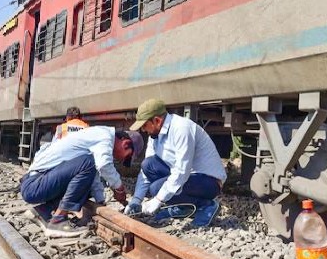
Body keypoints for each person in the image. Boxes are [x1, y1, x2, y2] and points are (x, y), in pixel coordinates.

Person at [20, 126, 143, 237]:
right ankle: (58, 220)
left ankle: (42, 211)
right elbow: (103, 165)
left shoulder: (97, 136)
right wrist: (119, 188)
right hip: (34, 185)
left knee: (86, 178)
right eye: (127, 158)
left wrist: (100, 202)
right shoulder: (104, 137)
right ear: (126, 144)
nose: (122, 161)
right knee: (88, 163)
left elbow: (92, 177)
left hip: (37, 183)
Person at [124, 99, 227, 227]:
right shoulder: (155, 135)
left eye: (145, 125)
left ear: (157, 120)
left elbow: (182, 171)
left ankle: (206, 206)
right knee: (148, 165)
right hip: (187, 178)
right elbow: (145, 172)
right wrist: (136, 200)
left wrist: (158, 200)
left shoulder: (181, 128)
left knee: (156, 189)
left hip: (208, 181)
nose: (144, 130)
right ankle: (184, 207)